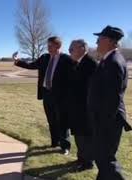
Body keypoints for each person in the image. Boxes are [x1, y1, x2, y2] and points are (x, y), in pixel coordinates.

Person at [13, 36, 72, 155]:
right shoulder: (45, 57)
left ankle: (65, 146)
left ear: (58, 46)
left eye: (51, 45)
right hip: (47, 94)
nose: (48, 47)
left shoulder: (66, 59)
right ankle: (54, 142)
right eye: (48, 45)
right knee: (51, 120)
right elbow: (31, 65)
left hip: (60, 96)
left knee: (62, 121)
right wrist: (17, 61)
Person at [88, 25, 132, 180]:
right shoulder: (108, 60)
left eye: (99, 39)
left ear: (109, 41)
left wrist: (102, 124)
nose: (96, 42)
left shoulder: (113, 62)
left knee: (107, 161)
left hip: (108, 121)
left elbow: (112, 99)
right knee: (102, 159)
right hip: (105, 119)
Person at [67, 39, 97, 171]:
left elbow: (91, 89)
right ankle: (81, 158)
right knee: (79, 135)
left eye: (71, 48)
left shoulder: (90, 64)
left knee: (85, 136)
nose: (69, 51)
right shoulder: (77, 63)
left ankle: (88, 162)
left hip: (85, 109)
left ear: (82, 49)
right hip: (77, 107)